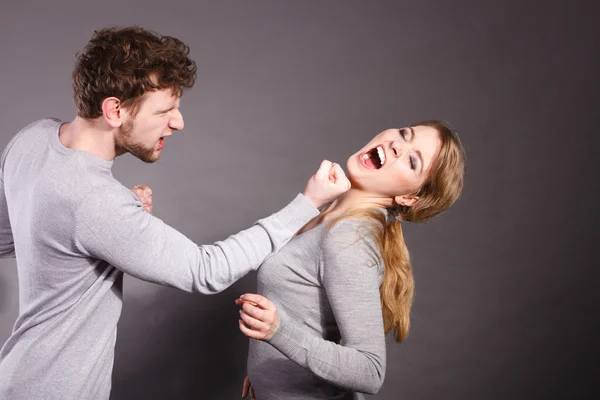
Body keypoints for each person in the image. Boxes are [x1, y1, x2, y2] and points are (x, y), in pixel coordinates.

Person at [0, 26, 350, 400]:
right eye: (165, 110)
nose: (178, 122)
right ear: (115, 110)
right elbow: (205, 270)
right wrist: (308, 203)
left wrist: (107, 230)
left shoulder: (33, 139)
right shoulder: (97, 202)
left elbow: (17, 235)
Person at [236, 121, 466, 400]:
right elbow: (304, 311)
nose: (398, 145)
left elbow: (370, 370)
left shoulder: (348, 237)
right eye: (405, 134)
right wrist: (267, 378)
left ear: (408, 197)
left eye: (412, 161)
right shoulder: (332, 212)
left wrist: (278, 332)